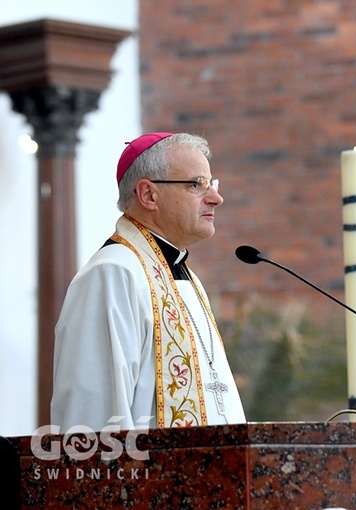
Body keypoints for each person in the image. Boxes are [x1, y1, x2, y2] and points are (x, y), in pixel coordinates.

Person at [51, 132, 246, 430]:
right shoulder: (113, 273)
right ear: (148, 195)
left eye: (212, 184)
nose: (216, 198)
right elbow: (94, 416)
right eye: (197, 184)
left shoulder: (185, 277)